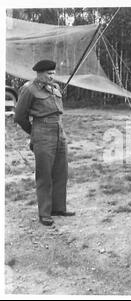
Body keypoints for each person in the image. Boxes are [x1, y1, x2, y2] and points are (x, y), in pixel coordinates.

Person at [14, 59, 75, 226]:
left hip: (59, 131)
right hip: (42, 132)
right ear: (39, 73)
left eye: (53, 73)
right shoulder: (29, 89)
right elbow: (19, 116)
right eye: (49, 73)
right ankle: (45, 213)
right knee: (45, 174)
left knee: (61, 171)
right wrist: (34, 132)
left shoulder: (54, 88)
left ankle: (58, 208)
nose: (52, 76)